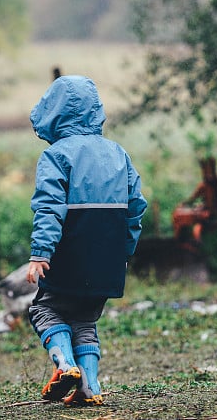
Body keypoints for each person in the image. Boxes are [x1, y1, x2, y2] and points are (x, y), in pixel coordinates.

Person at [25, 75, 147, 406]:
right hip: (107, 260)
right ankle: (89, 386)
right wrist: (124, 251)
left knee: (44, 309)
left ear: (53, 112)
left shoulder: (56, 156)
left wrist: (40, 253)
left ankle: (65, 365)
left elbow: (49, 208)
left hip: (70, 255)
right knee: (84, 319)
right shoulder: (118, 154)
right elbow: (136, 206)